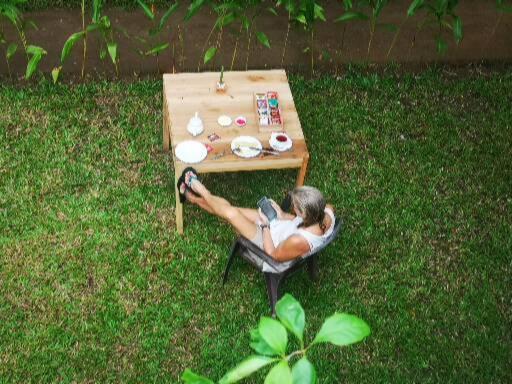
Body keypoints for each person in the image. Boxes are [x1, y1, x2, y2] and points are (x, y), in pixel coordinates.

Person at [178, 168, 335, 263]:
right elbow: (297, 221)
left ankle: (199, 189)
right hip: (277, 227)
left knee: (231, 213)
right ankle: (192, 197)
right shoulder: (326, 211)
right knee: (229, 209)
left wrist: (266, 225)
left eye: (295, 206)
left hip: (268, 243)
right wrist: (281, 214)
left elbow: (273, 255)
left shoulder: (298, 241)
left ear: (306, 214)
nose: (292, 207)